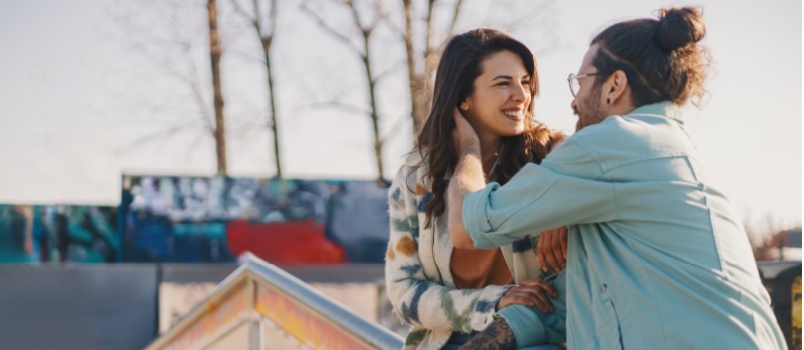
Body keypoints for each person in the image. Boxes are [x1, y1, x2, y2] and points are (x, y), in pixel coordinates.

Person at [448, 7, 786, 350]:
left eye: (579, 83)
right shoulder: (668, 150)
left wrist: (469, 147)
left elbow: (465, 225)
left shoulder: (612, 145)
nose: (573, 102)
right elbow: (561, 305)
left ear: (614, 85)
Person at [384, 28, 566, 350]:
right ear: (463, 98)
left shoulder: (554, 160)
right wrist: (492, 302)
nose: (522, 95)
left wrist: (564, 208)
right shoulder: (415, 181)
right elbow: (404, 291)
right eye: (503, 83)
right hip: (446, 342)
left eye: (525, 82)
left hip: (536, 339)